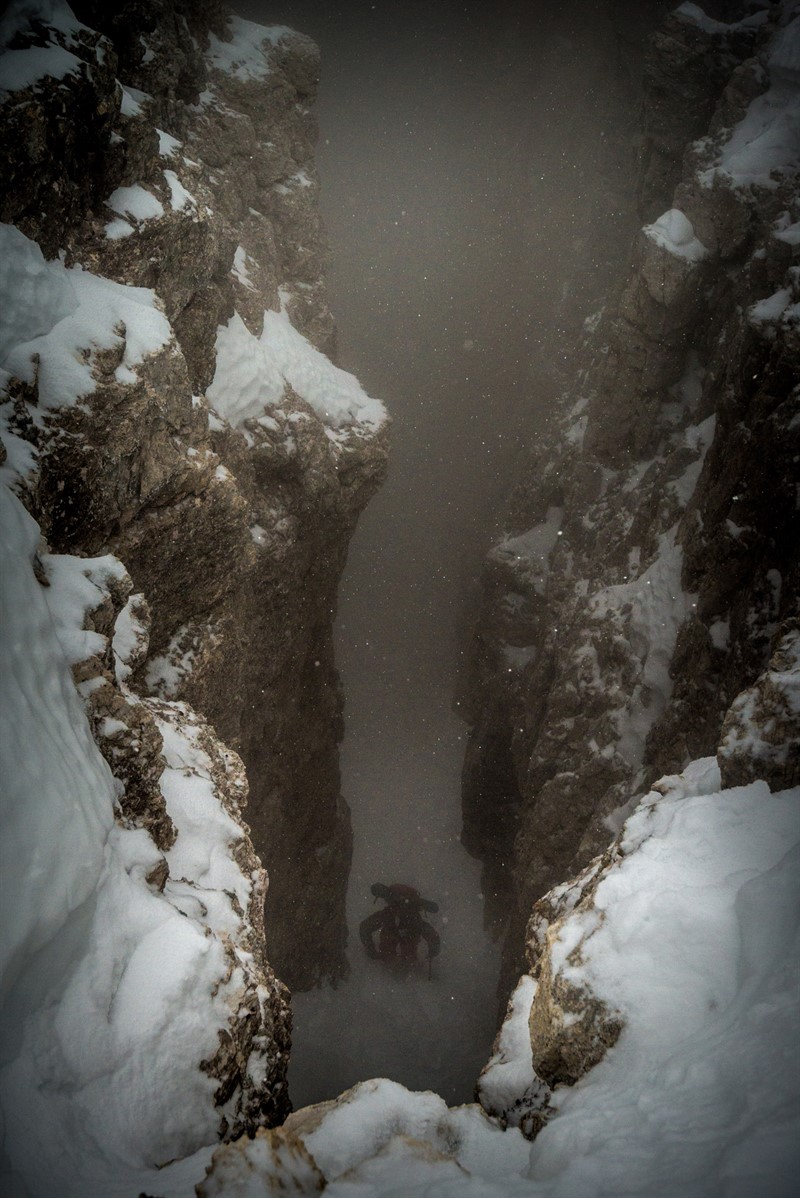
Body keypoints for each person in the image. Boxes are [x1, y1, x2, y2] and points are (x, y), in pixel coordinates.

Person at [360, 882, 440, 975]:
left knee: (394, 949)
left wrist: (371, 951)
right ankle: (405, 967)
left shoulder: (388, 914)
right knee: (406, 953)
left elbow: (365, 927)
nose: (401, 909)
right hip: (407, 939)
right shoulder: (412, 918)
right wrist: (432, 952)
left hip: (394, 949)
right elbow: (432, 936)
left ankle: (394, 966)